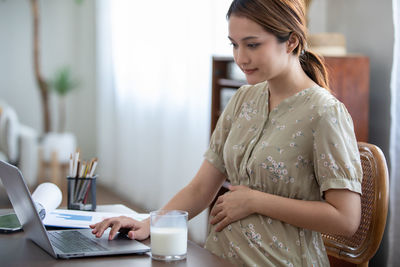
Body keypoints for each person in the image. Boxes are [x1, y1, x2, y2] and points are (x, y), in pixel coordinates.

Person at [90, 0, 362, 265]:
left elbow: (346, 219)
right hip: (218, 257)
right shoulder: (243, 99)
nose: (240, 58)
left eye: (252, 44)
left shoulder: (325, 113)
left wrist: (256, 201)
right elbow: (200, 188)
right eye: (234, 44)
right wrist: (148, 223)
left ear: (291, 41)